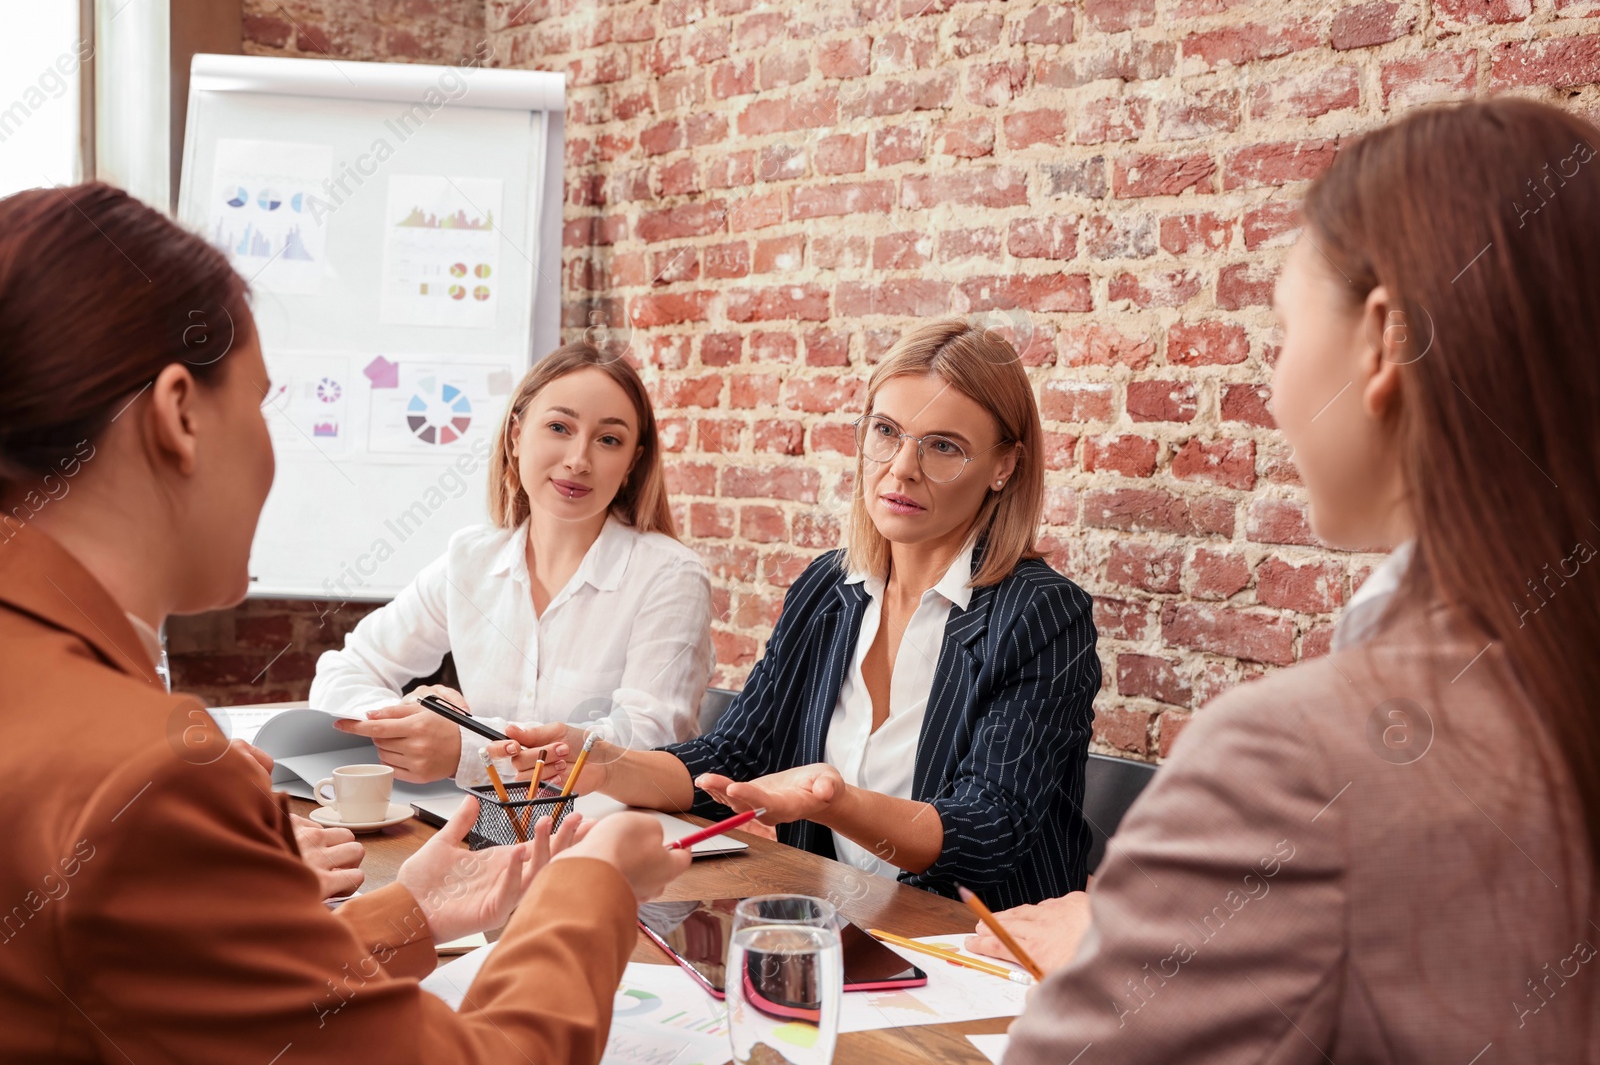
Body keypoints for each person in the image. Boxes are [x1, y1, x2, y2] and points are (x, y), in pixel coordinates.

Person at [0, 182, 690, 1063]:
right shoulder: (150, 778)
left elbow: (192, 992)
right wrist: (591, 884)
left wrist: (411, 910)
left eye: (609, 439)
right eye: (259, 402)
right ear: (180, 415)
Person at [974, 99, 1600, 1060]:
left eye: (1282, 330)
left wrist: (1124, 957)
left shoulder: (1301, 760)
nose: (1271, 388)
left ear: (1386, 340)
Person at [501, 318, 1101, 908]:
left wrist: (832, 800)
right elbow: (736, 757)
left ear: (1004, 466)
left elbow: (987, 834)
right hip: (844, 930)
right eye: (886, 432)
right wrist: (603, 763)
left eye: (943, 447)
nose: (901, 469)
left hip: (982, 951)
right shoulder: (829, 589)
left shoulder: (1041, 614)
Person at [312, 341, 715, 789]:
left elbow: (641, 747)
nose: (578, 460)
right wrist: (408, 720)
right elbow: (344, 671)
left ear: (631, 463)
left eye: (608, 440)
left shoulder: (670, 576)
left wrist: (466, 749)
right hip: (482, 827)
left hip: (610, 837)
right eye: (559, 427)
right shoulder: (471, 559)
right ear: (516, 436)